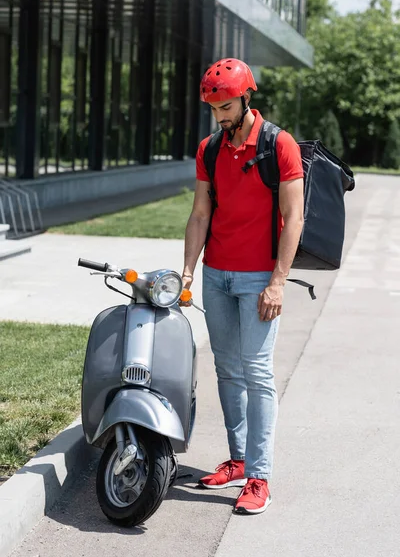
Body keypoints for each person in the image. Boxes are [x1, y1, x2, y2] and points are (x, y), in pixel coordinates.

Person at [181, 58, 304, 514]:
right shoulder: (209, 149)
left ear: (246, 97)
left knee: (258, 374)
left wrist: (277, 282)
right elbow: (199, 215)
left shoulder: (279, 145)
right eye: (213, 108)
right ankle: (237, 460)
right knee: (227, 371)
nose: (219, 116)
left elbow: (294, 220)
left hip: (258, 280)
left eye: (226, 106)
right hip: (217, 276)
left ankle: (259, 476)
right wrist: (190, 270)